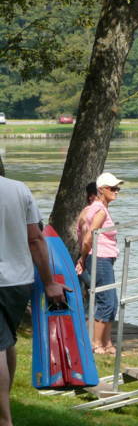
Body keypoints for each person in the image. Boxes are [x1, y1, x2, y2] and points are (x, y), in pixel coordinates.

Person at [0, 176, 67, 426]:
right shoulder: (19, 189)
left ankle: (4, 419)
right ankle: (5, 401)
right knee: (7, 341)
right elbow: (36, 238)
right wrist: (49, 281)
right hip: (19, 281)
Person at [76, 172, 123, 355]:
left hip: (100, 257)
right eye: (113, 189)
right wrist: (83, 257)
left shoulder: (89, 209)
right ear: (102, 190)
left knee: (110, 300)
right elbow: (89, 236)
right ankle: (96, 343)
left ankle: (105, 343)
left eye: (117, 188)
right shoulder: (101, 211)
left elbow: (81, 229)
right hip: (100, 257)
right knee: (106, 301)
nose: (116, 192)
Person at [74, 181, 99, 293]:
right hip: (89, 256)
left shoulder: (85, 211)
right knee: (98, 289)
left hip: (84, 256)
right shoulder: (92, 212)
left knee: (87, 293)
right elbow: (87, 238)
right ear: (92, 197)